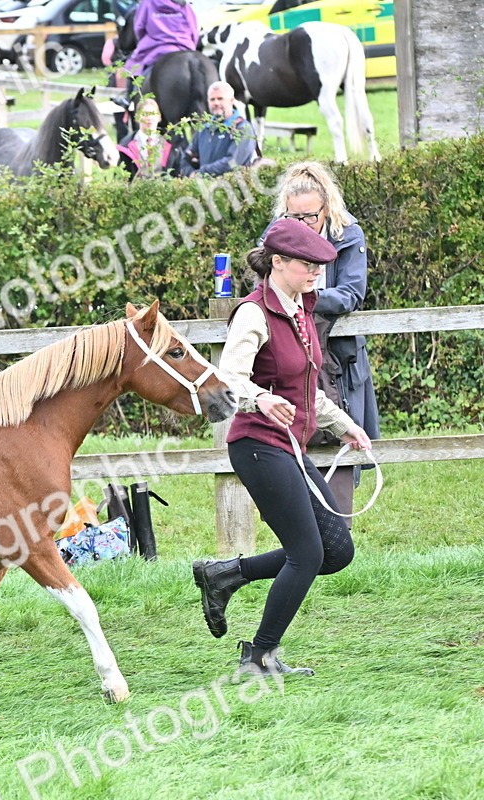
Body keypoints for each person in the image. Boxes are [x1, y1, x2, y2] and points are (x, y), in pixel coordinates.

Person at [192, 219, 373, 679]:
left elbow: (306, 389)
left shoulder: (302, 310)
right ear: (278, 263)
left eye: (319, 265)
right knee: (307, 554)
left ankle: (225, 574)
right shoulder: (254, 313)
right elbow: (229, 376)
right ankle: (258, 657)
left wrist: (348, 425)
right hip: (256, 445)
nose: (316, 272)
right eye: (307, 264)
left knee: (337, 551)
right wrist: (261, 396)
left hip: (289, 446)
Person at [267, 161, 380, 522]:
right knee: (290, 427)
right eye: (293, 217)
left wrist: (302, 296)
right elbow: (264, 283)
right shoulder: (276, 233)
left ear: (326, 207)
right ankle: (300, 533)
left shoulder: (349, 234)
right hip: (290, 344)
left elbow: (350, 294)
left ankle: (336, 532)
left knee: (338, 431)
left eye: (309, 217)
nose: (301, 225)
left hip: (337, 358)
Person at [118, 0, 198, 110]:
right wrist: (191, 45)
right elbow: (194, 29)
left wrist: (142, 41)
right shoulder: (184, 4)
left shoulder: (147, 3)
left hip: (156, 47)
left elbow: (139, 27)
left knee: (132, 66)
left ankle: (128, 98)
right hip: (184, 46)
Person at [180, 81, 257, 177]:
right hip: (203, 188)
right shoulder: (204, 129)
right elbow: (185, 159)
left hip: (231, 188)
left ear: (231, 101)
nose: (216, 103)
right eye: (212, 99)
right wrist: (191, 173)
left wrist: (201, 173)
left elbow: (233, 163)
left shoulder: (242, 128)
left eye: (220, 99)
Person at [117, 97, 171, 179]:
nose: (149, 118)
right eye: (145, 114)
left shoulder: (169, 145)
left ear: (159, 117)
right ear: (137, 117)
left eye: (153, 114)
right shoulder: (126, 147)